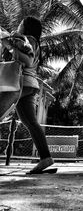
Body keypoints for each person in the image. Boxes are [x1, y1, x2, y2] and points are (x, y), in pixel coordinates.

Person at [0, 16, 54, 174]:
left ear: (26, 28)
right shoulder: (35, 42)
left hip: (19, 84)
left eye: (20, 24)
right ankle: (45, 157)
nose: (18, 25)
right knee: (30, 122)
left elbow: (25, 57)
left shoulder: (26, 39)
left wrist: (8, 42)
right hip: (30, 85)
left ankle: (45, 157)